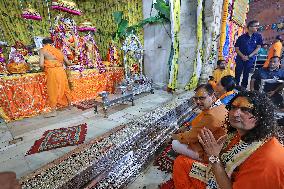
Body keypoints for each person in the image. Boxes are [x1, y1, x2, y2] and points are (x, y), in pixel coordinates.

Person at [173, 90, 284, 189]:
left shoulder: (267, 161)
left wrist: (214, 158)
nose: (235, 114)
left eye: (246, 110)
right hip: (224, 174)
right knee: (181, 162)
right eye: (234, 107)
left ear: (261, 116)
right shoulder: (242, 133)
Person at [172, 84, 227, 162]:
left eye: (202, 98)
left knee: (175, 143)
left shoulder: (211, 116)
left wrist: (173, 137)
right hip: (212, 141)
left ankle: (200, 160)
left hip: (210, 154)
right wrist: (187, 125)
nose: (198, 102)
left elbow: (190, 137)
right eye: (196, 98)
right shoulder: (219, 105)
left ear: (212, 95)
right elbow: (199, 118)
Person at [39, 38, 72, 117]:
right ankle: (69, 105)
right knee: (65, 87)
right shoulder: (58, 51)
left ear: (43, 44)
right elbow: (68, 63)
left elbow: (41, 64)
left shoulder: (42, 50)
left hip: (52, 71)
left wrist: (45, 67)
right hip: (61, 71)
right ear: (51, 44)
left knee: (53, 89)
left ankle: (53, 111)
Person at [235, 20, 263, 88]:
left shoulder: (258, 36)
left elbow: (258, 47)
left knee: (246, 74)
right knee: (238, 73)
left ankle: (243, 88)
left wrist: (249, 56)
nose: (257, 27)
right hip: (240, 58)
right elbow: (236, 48)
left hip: (250, 59)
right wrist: (242, 56)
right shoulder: (241, 37)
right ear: (250, 27)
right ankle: (235, 87)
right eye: (256, 26)